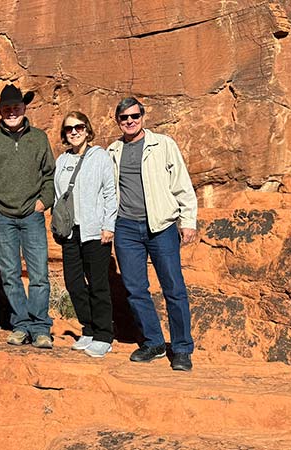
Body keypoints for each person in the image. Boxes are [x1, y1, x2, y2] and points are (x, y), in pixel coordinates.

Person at [108, 97, 198, 371]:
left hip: (161, 226)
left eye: (134, 116)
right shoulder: (113, 150)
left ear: (143, 116)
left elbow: (182, 183)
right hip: (126, 227)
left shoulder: (163, 145)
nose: (130, 121)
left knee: (174, 288)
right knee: (135, 290)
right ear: (118, 121)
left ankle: (181, 349)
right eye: (124, 118)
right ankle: (155, 343)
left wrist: (188, 220)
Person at [0, 84, 56, 349]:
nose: (11, 112)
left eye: (16, 107)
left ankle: (41, 328)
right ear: (0, 111)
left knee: (39, 273)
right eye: (6, 108)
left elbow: (49, 176)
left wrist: (43, 203)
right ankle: (21, 325)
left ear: (24, 108)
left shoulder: (39, 138)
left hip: (32, 215)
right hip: (3, 217)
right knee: (10, 274)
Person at [54, 112, 117, 358]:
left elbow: (110, 193)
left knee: (98, 284)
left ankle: (104, 335)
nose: (74, 132)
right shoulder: (62, 160)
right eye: (69, 129)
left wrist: (108, 225)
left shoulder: (99, 156)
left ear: (87, 130)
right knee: (74, 283)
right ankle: (88, 329)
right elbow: (59, 195)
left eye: (79, 127)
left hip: (94, 230)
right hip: (70, 231)